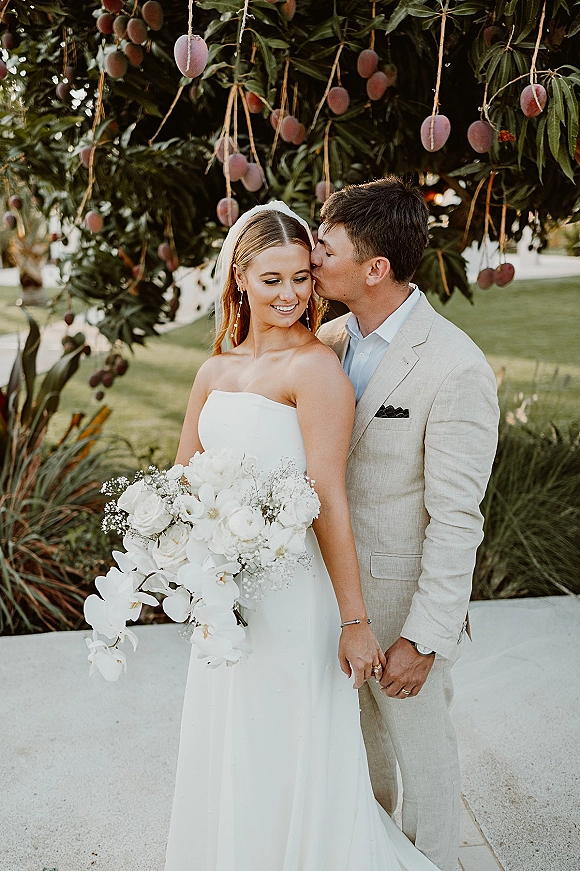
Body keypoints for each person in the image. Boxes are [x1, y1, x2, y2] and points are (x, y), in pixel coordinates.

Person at [164, 202, 439, 870]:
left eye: (300, 279)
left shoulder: (316, 370)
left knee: (288, 742)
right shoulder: (214, 371)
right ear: (239, 278)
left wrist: (354, 619)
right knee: (234, 739)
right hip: (226, 594)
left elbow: (329, 499)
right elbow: (181, 478)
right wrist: (187, 557)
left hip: (291, 596)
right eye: (271, 280)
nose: (290, 295)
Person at [314, 177, 500, 871]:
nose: (311, 258)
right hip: (330, 601)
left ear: (375, 268)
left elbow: (459, 519)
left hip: (404, 609)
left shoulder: (455, 368)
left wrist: (424, 636)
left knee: (425, 770)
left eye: (324, 247)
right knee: (357, 761)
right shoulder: (326, 341)